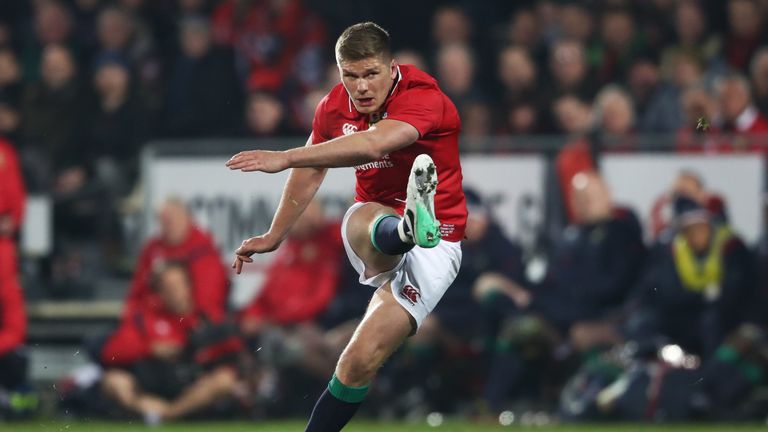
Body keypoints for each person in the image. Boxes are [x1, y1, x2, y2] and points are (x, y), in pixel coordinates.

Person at [226, 22, 467, 431]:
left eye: (371, 73)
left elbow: (375, 143)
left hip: (439, 242)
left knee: (359, 361)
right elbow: (311, 171)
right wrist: (274, 235)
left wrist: (285, 156)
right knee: (361, 217)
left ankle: (411, 226)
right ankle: (406, 228)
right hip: (377, 229)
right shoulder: (334, 107)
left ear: (392, 68)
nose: (361, 87)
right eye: (350, 75)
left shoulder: (424, 97)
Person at [101, 262, 242, 424]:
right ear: (159, 292)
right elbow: (111, 352)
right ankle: (151, 410)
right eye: (167, 286)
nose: (174, 291)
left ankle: (167, 415)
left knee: (225, 380)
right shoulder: (145, 317)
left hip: (189, 388)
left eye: (178, 285)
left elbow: (232, 353)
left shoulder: (205, 318)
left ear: (188, 286)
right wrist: (151, 349)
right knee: (113, 380)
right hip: (149, 387)